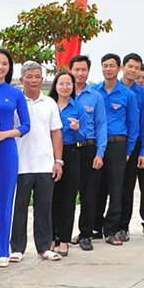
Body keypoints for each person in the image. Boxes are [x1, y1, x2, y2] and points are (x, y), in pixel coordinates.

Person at [0, 49, 30, 268]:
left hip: (7, 151)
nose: (0, 67)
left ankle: (2, 249)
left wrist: (5, 134)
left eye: (5, 64)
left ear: (9, 68)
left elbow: (26, 126)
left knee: (4, 200)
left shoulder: (16, 94)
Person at [10, 61, 64, 262]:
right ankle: (17, 248)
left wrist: (58, 161)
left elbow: (56, 133)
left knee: (44, 208)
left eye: (37, 76)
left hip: (44, 164)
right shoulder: (15, 102)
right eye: (29, 76)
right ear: (21, 79)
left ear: (43, 80)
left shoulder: (50, 103)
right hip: (20, 164)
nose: (33, 80)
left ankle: (44, 247)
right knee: (19, 208)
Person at [94, 53, 138, 246]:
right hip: (97, 146)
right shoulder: (94, 93)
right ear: (101, 68)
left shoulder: (128, 95)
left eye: (112, 65)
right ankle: (94, 227)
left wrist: (128, 151)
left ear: (119, 68)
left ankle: (111, 230)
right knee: (96, 188)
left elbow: (133, 126)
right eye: (105, 65)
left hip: (118, 145)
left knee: (116, 189)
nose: (108, 69)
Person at [68, 55, 106, 251]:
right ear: (70, 70)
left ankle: (85, 234)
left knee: (88, 194)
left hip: (89, 149)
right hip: (68, 150)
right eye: (77, 69)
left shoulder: (95, 97)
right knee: (66, 194)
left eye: (84, 70)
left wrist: (100, 153)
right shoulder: (63, 92)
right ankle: (62, 235)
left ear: (88, 72)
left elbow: (101, 126)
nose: (80, 73)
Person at [49, 70, 85, 257]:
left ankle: (64, 240)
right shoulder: (49, 105)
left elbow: (83, 136)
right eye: (61, 83)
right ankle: (51, 239)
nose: (65, 87)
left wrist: (77, 130)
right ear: (55, 86)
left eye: (68, 84)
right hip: (49, 155)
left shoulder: (78, 108)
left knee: (68, 199)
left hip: (71, 153)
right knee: (51, 199)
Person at [119, 53, 144, 239]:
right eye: (130, 67)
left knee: (137, 186)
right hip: (116, 144)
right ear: (123, 67)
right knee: (118, 187)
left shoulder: (143, 94)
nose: (133, 71)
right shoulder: (112, 89)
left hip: (137, 144)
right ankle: (112, 225)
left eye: (137, 68)